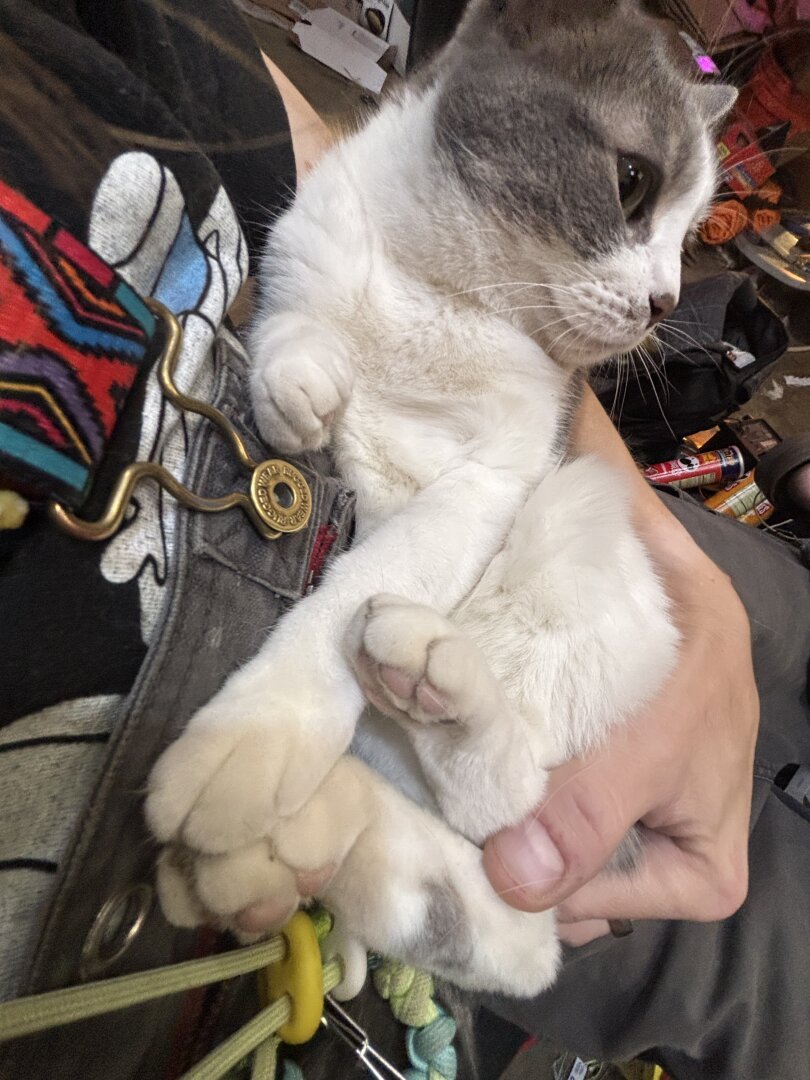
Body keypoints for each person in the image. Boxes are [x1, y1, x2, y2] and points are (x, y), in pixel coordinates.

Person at [0, 3, 807, 1079]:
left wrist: (673, 558)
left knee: (761, 625)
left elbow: (251, 100)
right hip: (441, 726)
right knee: (765, 979)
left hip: (574, 541)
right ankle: (460, 887)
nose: (668, 294)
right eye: (638, 202)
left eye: (680, 234)